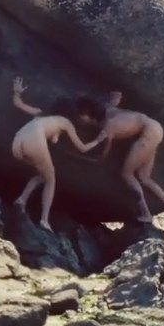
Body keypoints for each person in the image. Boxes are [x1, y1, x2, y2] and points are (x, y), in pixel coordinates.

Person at [9, 77, 104, 230]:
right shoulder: (66, 123)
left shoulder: (43, 114)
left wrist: (16, 92)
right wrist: (98, 140)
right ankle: (44, 220)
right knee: (51, 179)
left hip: (18, 142)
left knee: (42, 175)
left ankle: (21, 200)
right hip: (34, 138)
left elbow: (18, 104)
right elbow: (83, 148)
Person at [87, 90, 164, 231]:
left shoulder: (107, 127)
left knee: (126, 174)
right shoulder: (109, 108)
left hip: (147, 134)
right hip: (155, 128)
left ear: (92, 117)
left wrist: (95, 159)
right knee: (144, 177)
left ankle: (146, 214)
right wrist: (114, 94)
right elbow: (116, 96)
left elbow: (105, 152)